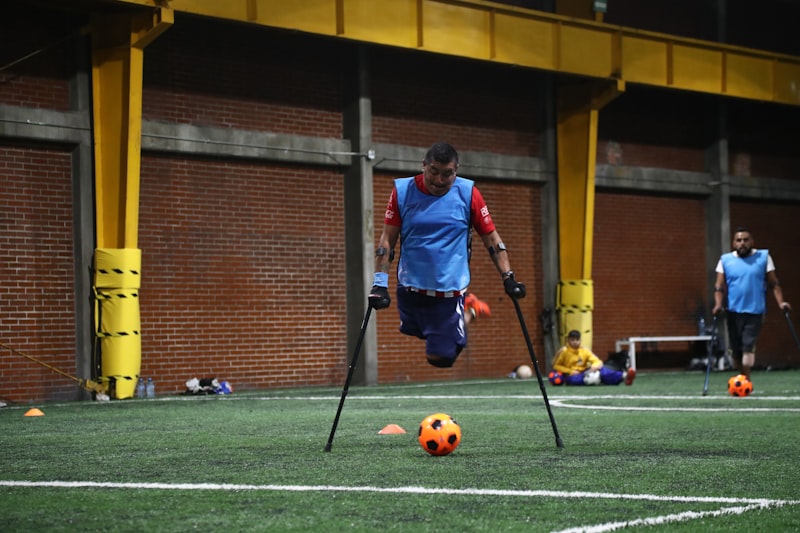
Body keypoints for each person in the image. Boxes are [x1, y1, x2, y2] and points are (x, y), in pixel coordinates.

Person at [368, 142, 526, 368]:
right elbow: (387, 241)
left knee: (441, 357)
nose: (439, 180)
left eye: (447, 174)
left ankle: (468, 309)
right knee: (414, 330)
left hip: (448, 290)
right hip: (410, 284)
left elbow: (491, 238)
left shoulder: (469, 193)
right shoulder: (402, 192)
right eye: (434, 171)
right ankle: (462, 315)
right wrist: (379, 283)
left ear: (456, 171)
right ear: (423, 166)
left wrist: (508, 277)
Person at [712, 227, 791, 378]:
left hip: (755, 310)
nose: (742, 243)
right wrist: (718, 304)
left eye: (745, 240)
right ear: (734, 243)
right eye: (739, 240)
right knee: (736, 352)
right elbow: (719, 286)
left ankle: (745, 380)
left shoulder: (763, 257)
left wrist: (781, 303)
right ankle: (741, 376)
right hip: (733, 311)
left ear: (752, 242)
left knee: (747, 345)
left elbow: (774, 283)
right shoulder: (725, 260)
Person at [551, 330, 635, 386]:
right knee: (573, 380)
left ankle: (624, 376)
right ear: (568, 340)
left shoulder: (584, 351)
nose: (575, 342)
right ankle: (597, 380)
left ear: (580, 340)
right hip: (571, 375)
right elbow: (556, 366)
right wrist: (570, 371)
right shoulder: (564, 351)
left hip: (584, 372)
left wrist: (594, 367)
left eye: (577, 339)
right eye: (572, 340)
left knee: (602, 370)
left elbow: (597, 361)